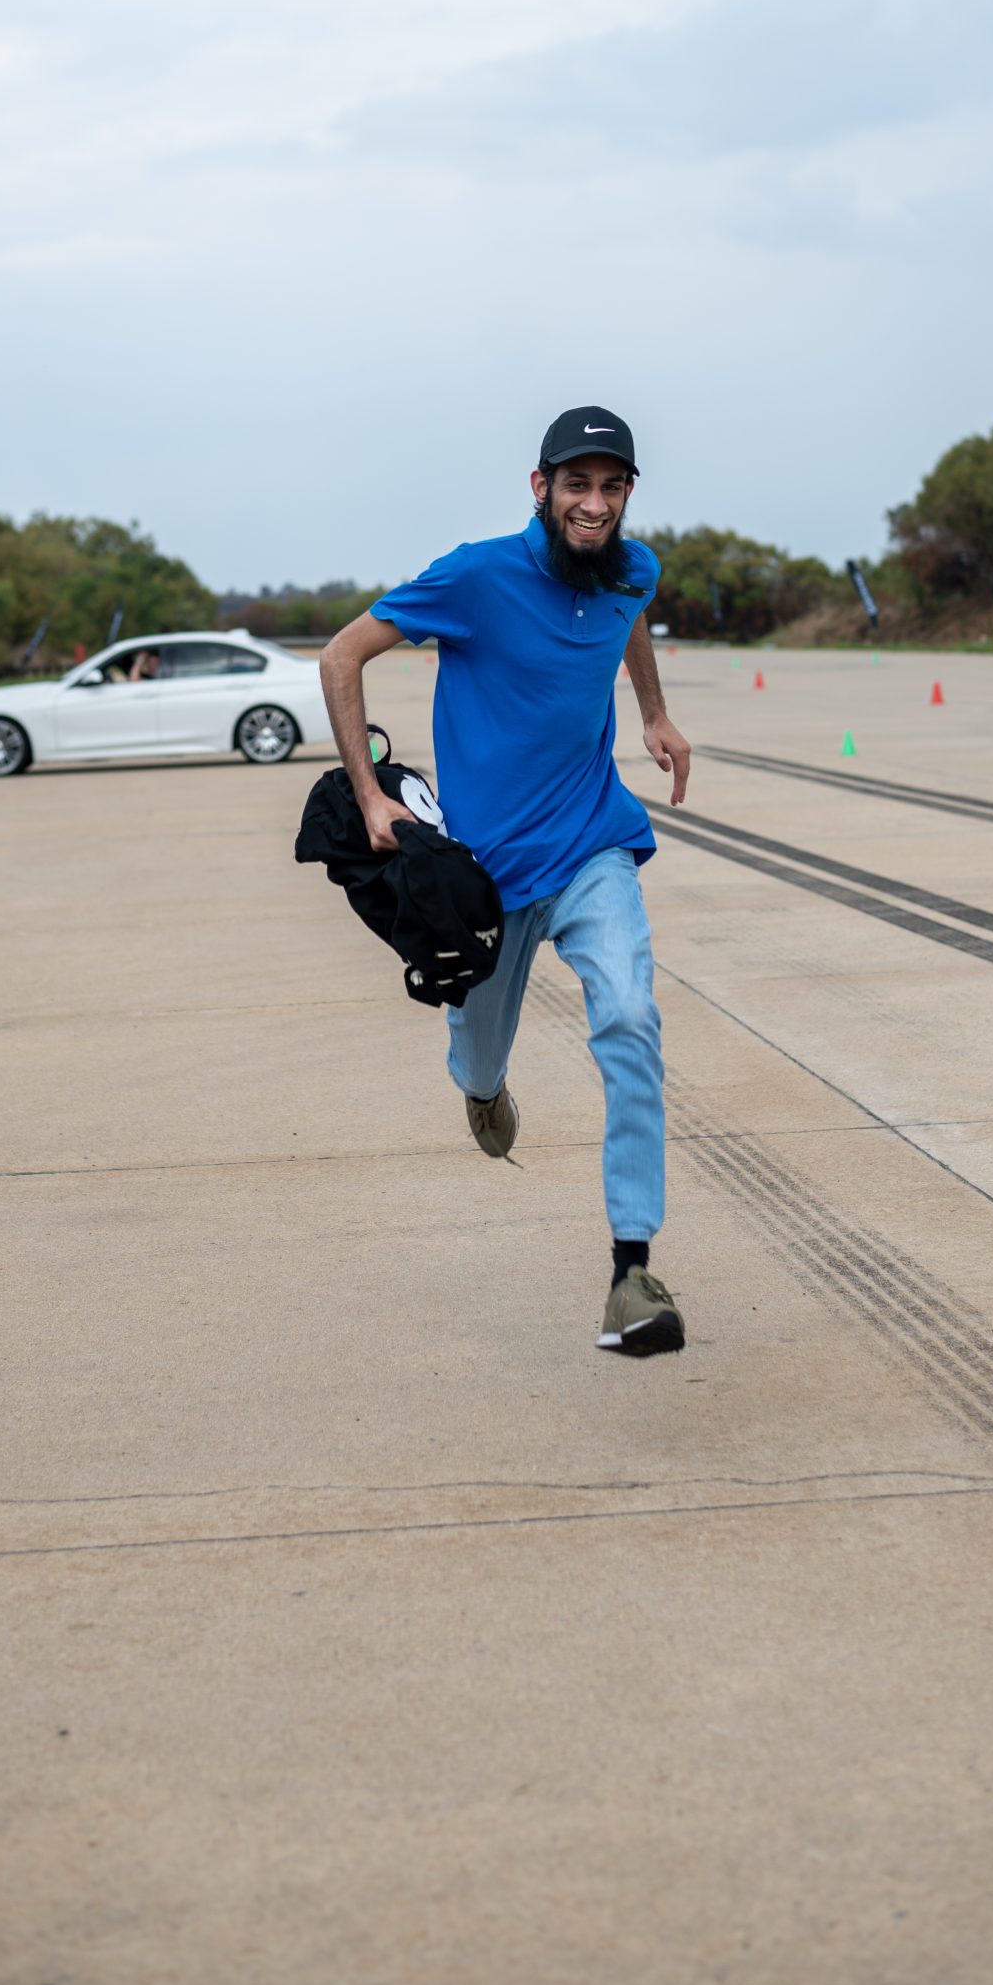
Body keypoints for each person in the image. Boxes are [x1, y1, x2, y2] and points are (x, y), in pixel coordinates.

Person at [319, 405, 692, 1356]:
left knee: (629, 1018)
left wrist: (653, 714)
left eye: (612, 487)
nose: (594, 504)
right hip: (487, 878)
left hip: (593, 843)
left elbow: (629, 617)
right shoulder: (477, 575)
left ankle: (631, 1271)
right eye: (578, 484)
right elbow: (341, 654)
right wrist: (369, 797)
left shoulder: (632, 568)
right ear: (542, 488)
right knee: (479, 1053)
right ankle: (483, 1089)